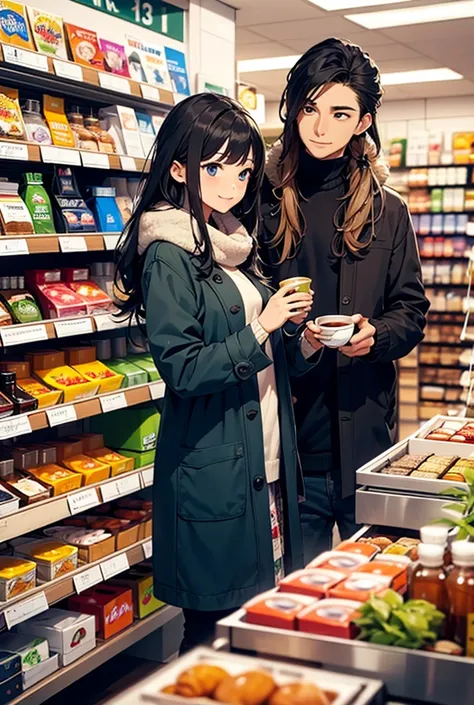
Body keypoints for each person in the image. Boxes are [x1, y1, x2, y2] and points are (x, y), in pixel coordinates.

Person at [115, 93, 319, 652]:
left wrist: (299, 335)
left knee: (256, 621)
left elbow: (262, 351)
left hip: (264, 458)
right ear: (179, 169)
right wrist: (261, 327)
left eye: (244, 169)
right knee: (213, 633)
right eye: (215, 167)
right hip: (216, 465)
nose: (232, 183)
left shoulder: (230, 241)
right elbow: (181, 368)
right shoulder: (168, 254)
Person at [260, 38, 430, 565]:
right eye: (309, 108)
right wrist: (301, 340)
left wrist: (375, 336)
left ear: (362, 121)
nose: (319, 127)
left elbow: (411, 309)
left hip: (367, 439)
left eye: (339, 113)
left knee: (369, 586)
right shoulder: (262, 205)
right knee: (295, 599)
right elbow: (250, 310)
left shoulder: (389, 211)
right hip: (293, 444)